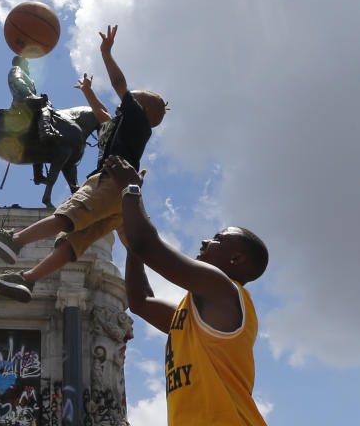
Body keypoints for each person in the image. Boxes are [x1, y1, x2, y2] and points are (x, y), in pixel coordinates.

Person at [0, 25, 168, 302]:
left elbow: (119, 84)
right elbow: (102, 114)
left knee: (68, 214)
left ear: (143, 111)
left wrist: (106, 54)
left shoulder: (137, 122)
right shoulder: (120, 129)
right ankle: (27, 280)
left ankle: (13, 241)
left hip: (110, 183)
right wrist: (88, 92)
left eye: (132, 102)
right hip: (121, 199)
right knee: (72, 242)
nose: (123, 104)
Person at [106, 154, 269, 426]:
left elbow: (149, 245)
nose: (205, 241)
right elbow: (140, 301)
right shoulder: (195, 312)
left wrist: (130, 189)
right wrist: (132, 246)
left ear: (236, 259)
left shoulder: (223, 290)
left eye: (218, 239)